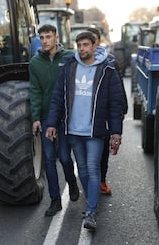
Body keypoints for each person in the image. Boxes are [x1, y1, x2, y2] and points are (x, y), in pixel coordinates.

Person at [45, 31, 124, 230]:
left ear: (94, 46)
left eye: (86, 45)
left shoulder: (107, 69)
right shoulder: (70, 67)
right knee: (83, 170)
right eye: (79, 45)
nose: (82, 49)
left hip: (95, 131)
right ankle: (92, 204)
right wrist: (52, 123)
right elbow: (57, 96)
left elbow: (115, 103)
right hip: (73, 130)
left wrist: (116, 132)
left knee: (93, 168)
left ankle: (90, 211)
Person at [28, 24, 79, 217]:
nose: (44, 41)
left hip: (65, 117)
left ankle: (72, 182)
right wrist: (35, 118)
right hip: (45, 117)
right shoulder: (35, 63)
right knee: (49, 160)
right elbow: (34, 91)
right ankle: (55, 200)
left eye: (48, 37)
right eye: (41, 37)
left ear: (56, 37)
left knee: (65, 157)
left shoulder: (69, 57)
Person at [86, 27, 128, 195]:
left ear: (98, 42)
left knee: (103, 150)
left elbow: (118, 88)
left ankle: (101, 180)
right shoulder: (77, 62)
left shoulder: (110, 61)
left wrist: (122, 109)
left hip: (102, 114)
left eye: (93, 41)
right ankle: (89, 179)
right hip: (84, 116)